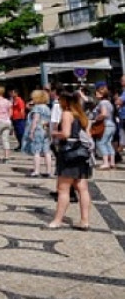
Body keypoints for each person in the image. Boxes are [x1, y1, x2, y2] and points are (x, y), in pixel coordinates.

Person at [48, 91, 92, 230]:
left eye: (60, 100)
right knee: (82, 188)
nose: (59, 103)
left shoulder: (67, 114)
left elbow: (66, 134)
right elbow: (88, 135)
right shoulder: (81, 115)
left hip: (69, 153)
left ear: (65, 101)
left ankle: (57, 220)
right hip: (81, 153)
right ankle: (85, 220)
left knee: (63, 189)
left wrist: (54, 133)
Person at [21, 89, 53, 178]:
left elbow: (35, 120)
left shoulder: (37, 108)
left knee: (36, 151)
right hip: (45, 130)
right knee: (47, 151)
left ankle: (36, 170)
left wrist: (31, 132)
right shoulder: (47, 108)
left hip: (38, 131)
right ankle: (49, 171)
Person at [91, 85, 116, 170]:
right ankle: (112, 162)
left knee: (100, 143)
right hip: (111, 124)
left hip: (105, 125)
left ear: (101, 94)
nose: (95, 94)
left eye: (97, 92)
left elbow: (104, 114)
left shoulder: (102, 103)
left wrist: (95, 119)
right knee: (108, 143)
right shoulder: (109, 102)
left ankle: (105, 163)